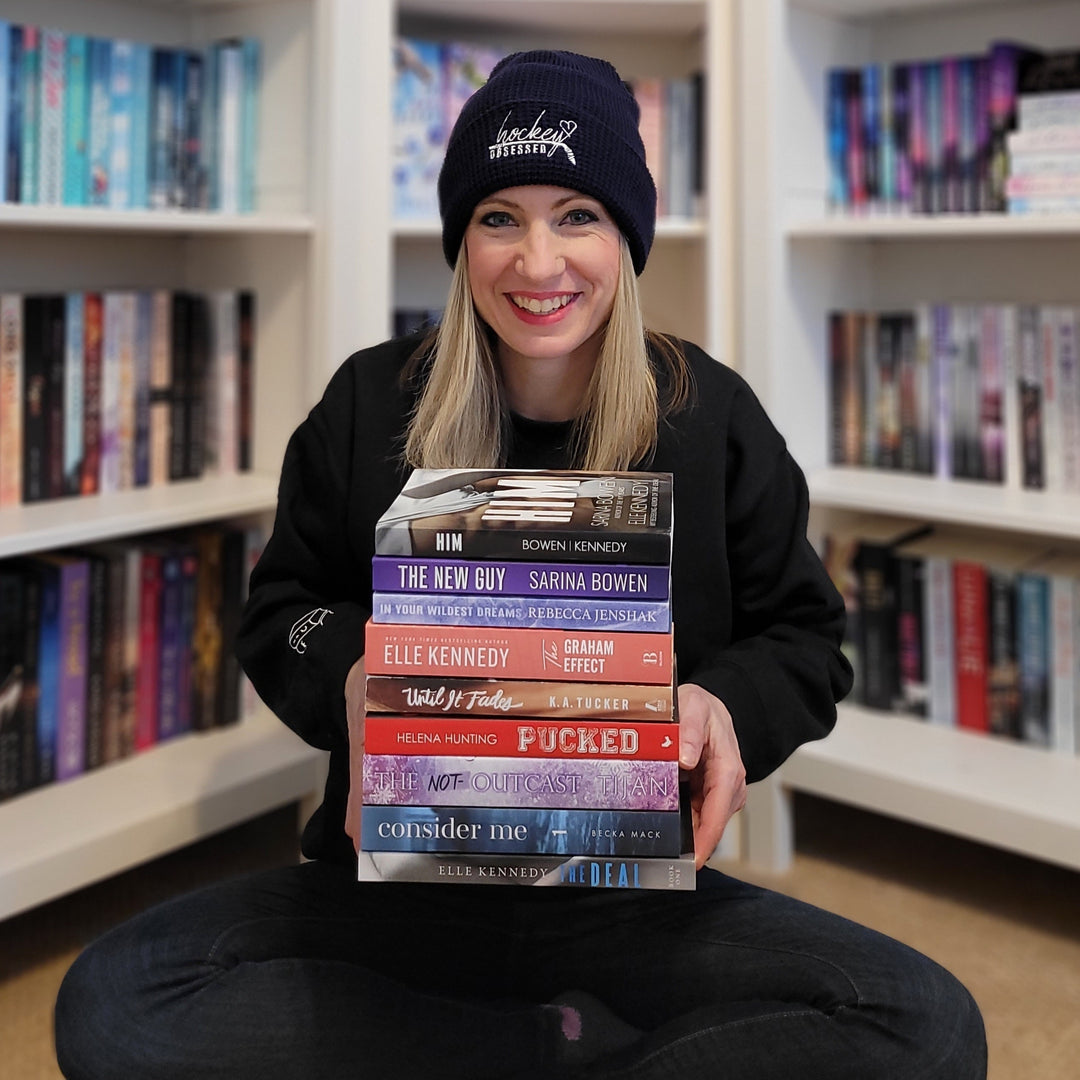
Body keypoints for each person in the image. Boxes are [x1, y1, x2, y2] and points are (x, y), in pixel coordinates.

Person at [54, 50, 987, 1079]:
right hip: (400, 887)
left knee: (922, 1024)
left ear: (626, 233)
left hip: (624, 896)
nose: (538, 264)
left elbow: (806, 637)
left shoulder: (711, 415)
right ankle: (554, 1044)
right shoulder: (370, 404)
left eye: (577, 214)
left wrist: (724, 703)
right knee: (117, 1006)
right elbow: (282, 610)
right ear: (462, 238)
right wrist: (359, 679)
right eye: (500, 216)